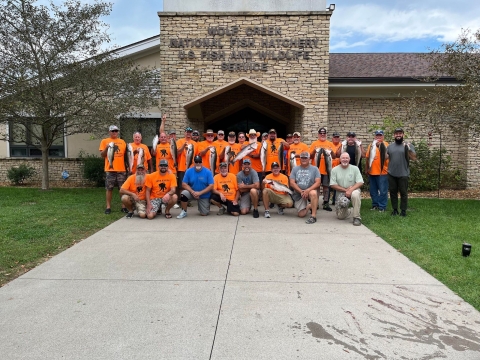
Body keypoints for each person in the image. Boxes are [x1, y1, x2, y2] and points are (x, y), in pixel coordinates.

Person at [387, 128, 417, 217]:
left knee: (403, 193)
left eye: (400, 133)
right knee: (393, 192)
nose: (398, 135)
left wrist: (408, 149)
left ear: (403, 135)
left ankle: (403, 211)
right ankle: (395, 209)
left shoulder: (408, 145)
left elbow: (414, 158)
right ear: (394, 135)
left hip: (403, 174)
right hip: (391, 173)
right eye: (396, 133)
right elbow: (385, 157)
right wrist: (379, 147)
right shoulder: (390, 146)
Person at [99, 125, 128, 214]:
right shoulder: (104, 141)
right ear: (109, 132)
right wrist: (107, 147)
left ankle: (123, 206)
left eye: (116, 131)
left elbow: (125, 155)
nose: (114, 132)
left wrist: (127, 165)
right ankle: (108, 207)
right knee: (109, 188)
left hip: (121, 169)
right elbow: (102, 155)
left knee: (122, 189)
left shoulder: (122, 142)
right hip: (110, 169)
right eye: (113, 131)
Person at [330, 152, 364, 226]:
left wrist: (351, 190)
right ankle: (352, 210)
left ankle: (356, 217)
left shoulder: (355, 168)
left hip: (353, 190)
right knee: (341, 217)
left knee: (355, 194)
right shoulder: (334, 170)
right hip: (341, 193)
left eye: (346, 158)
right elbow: (332, 184)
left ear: (349, 159)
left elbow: (360, 182)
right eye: (343, 158)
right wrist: (346, 190)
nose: (345, 160)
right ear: (340, 159)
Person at [309, 127, 336, 211]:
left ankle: (325, 202)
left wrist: (331, 151)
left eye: (324, 133)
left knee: (326, 187)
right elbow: (310, 156)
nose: (322, 134)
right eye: (321, 133)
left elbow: (334, 156)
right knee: (316, 187)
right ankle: (315, 203)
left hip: (326, 170)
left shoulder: (330, 144)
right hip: (315, 170)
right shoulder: (314, 143)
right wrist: (314, 151)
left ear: (326, 134)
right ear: (318, 134)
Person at [289, 151, 321, 224]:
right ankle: (310, 205)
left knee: (313, 193)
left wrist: (307, 190)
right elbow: (292, 183)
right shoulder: (295, 169)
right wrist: (301, 191)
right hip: (299, 193)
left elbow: (318, 182)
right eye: (302, 158)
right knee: (301, 214)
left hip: (309, 191)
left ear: (309, 159)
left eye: (305, 158)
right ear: (299, 159)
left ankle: (313, 216)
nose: (304, 159)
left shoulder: (315, 169)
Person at [365, 130, 389, 212]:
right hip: (372, 172)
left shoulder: (386, 145)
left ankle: (382, 206)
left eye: (380, 135)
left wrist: (380, 146)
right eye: (377, 135)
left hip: (383, 172)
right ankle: (375, 204)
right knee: (373, 191)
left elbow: (387, 157)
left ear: (383, 136)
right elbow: (368, 158)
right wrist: (367, 168)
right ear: (375, 136)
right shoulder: (371, 145)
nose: (378, 137)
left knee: (383, 191)